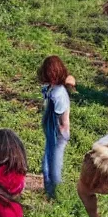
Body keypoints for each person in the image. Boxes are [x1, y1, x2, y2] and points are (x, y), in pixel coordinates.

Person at [38, 56, 75, 199]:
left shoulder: (59, 95)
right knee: (46, 166)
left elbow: (63, 120)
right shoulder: (51, 89)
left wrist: (60, 130)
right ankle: (49, 194)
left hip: (58, 136)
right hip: (51, 134)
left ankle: (57, 196)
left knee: (53, 169)